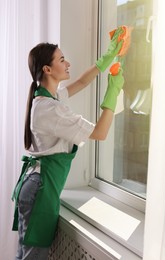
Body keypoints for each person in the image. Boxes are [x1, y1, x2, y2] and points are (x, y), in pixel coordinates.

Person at [12, 27, 125, 260]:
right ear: (48, 69)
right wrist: (113, 91)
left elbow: (83, 82)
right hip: (39, 190)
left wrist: (108, 56)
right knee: (33, 256)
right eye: (62, 60)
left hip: (36, 185)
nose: (68, 63)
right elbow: (100, 133)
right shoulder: (51, 109)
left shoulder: (46, 98)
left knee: (27, 255)